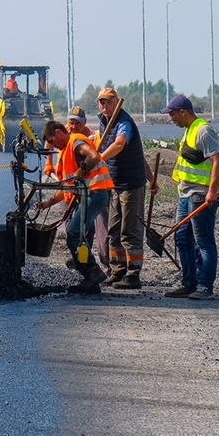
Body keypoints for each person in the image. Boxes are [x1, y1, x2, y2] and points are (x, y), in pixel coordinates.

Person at [37, 120, 115, 293]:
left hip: (96, 192)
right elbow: (68, 188)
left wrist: (84, 168)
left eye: (52, 141)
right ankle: (91, 280)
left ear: (58, 132)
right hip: (91, 195)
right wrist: (48, 203)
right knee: (79, 236)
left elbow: (94, 156)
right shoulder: (65, 153)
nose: (53, 145)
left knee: (73, 234)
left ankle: (93, 274)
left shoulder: (75, 142)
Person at [162, 94, 219, 300]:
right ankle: (189, 283)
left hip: (201, 194)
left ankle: (205, 286)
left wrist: (212, 192)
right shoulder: (189, 130)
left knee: (203, 241)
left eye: (173, 114)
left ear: (183, 112)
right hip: (185, 193)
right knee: (182, 238)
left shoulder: (203, 130)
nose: (171, 118)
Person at [95, 87, 155, 290]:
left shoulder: (124, 122)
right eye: (101, 102)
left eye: (108, 102)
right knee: (113, 230)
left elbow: (120, 144)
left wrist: (100, 158)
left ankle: (132, 273)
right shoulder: (104, 123)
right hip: (114, 184)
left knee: (129, 230)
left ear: (116, 102)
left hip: (131, 184)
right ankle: (117, 270)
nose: (104, 106)